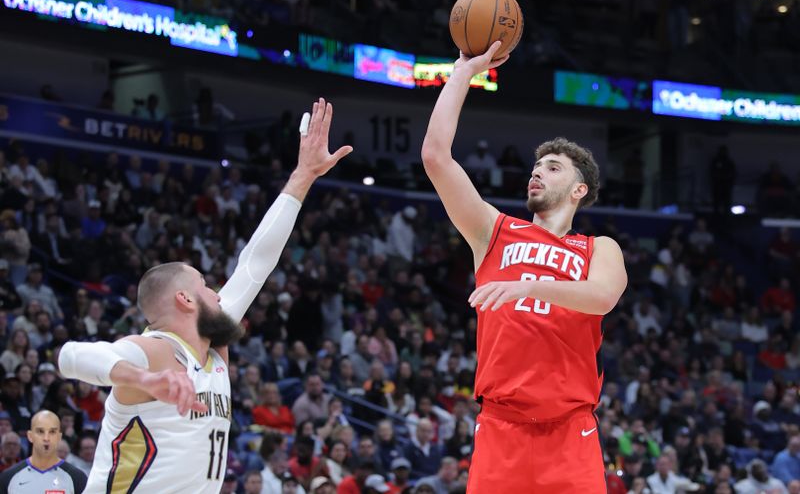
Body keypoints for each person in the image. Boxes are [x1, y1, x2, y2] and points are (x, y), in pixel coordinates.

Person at [56, 98, 351, 493]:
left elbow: (256, 263)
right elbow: (72, 356)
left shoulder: (210, 348)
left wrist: (303, 177)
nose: (218, 292)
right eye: (206, 285)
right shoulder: (157, 350)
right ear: (185, 299)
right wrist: (144, 378)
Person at [421, 41, 627, 493]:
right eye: (536, 167)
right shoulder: (493, 231)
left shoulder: (599, 247)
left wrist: (528, 287)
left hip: (571, 433)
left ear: (579, 190)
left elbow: (603, 297)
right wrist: (463, 72)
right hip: (501, 428)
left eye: (552, 168)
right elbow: (436, 157)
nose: (537, 173)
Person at [0, 410, 87, 493]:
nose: (46, 438)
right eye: (40, 431)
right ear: (30, 436)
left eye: (52, 432)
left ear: (59, 437)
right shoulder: (8, 477)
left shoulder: (77, 478)